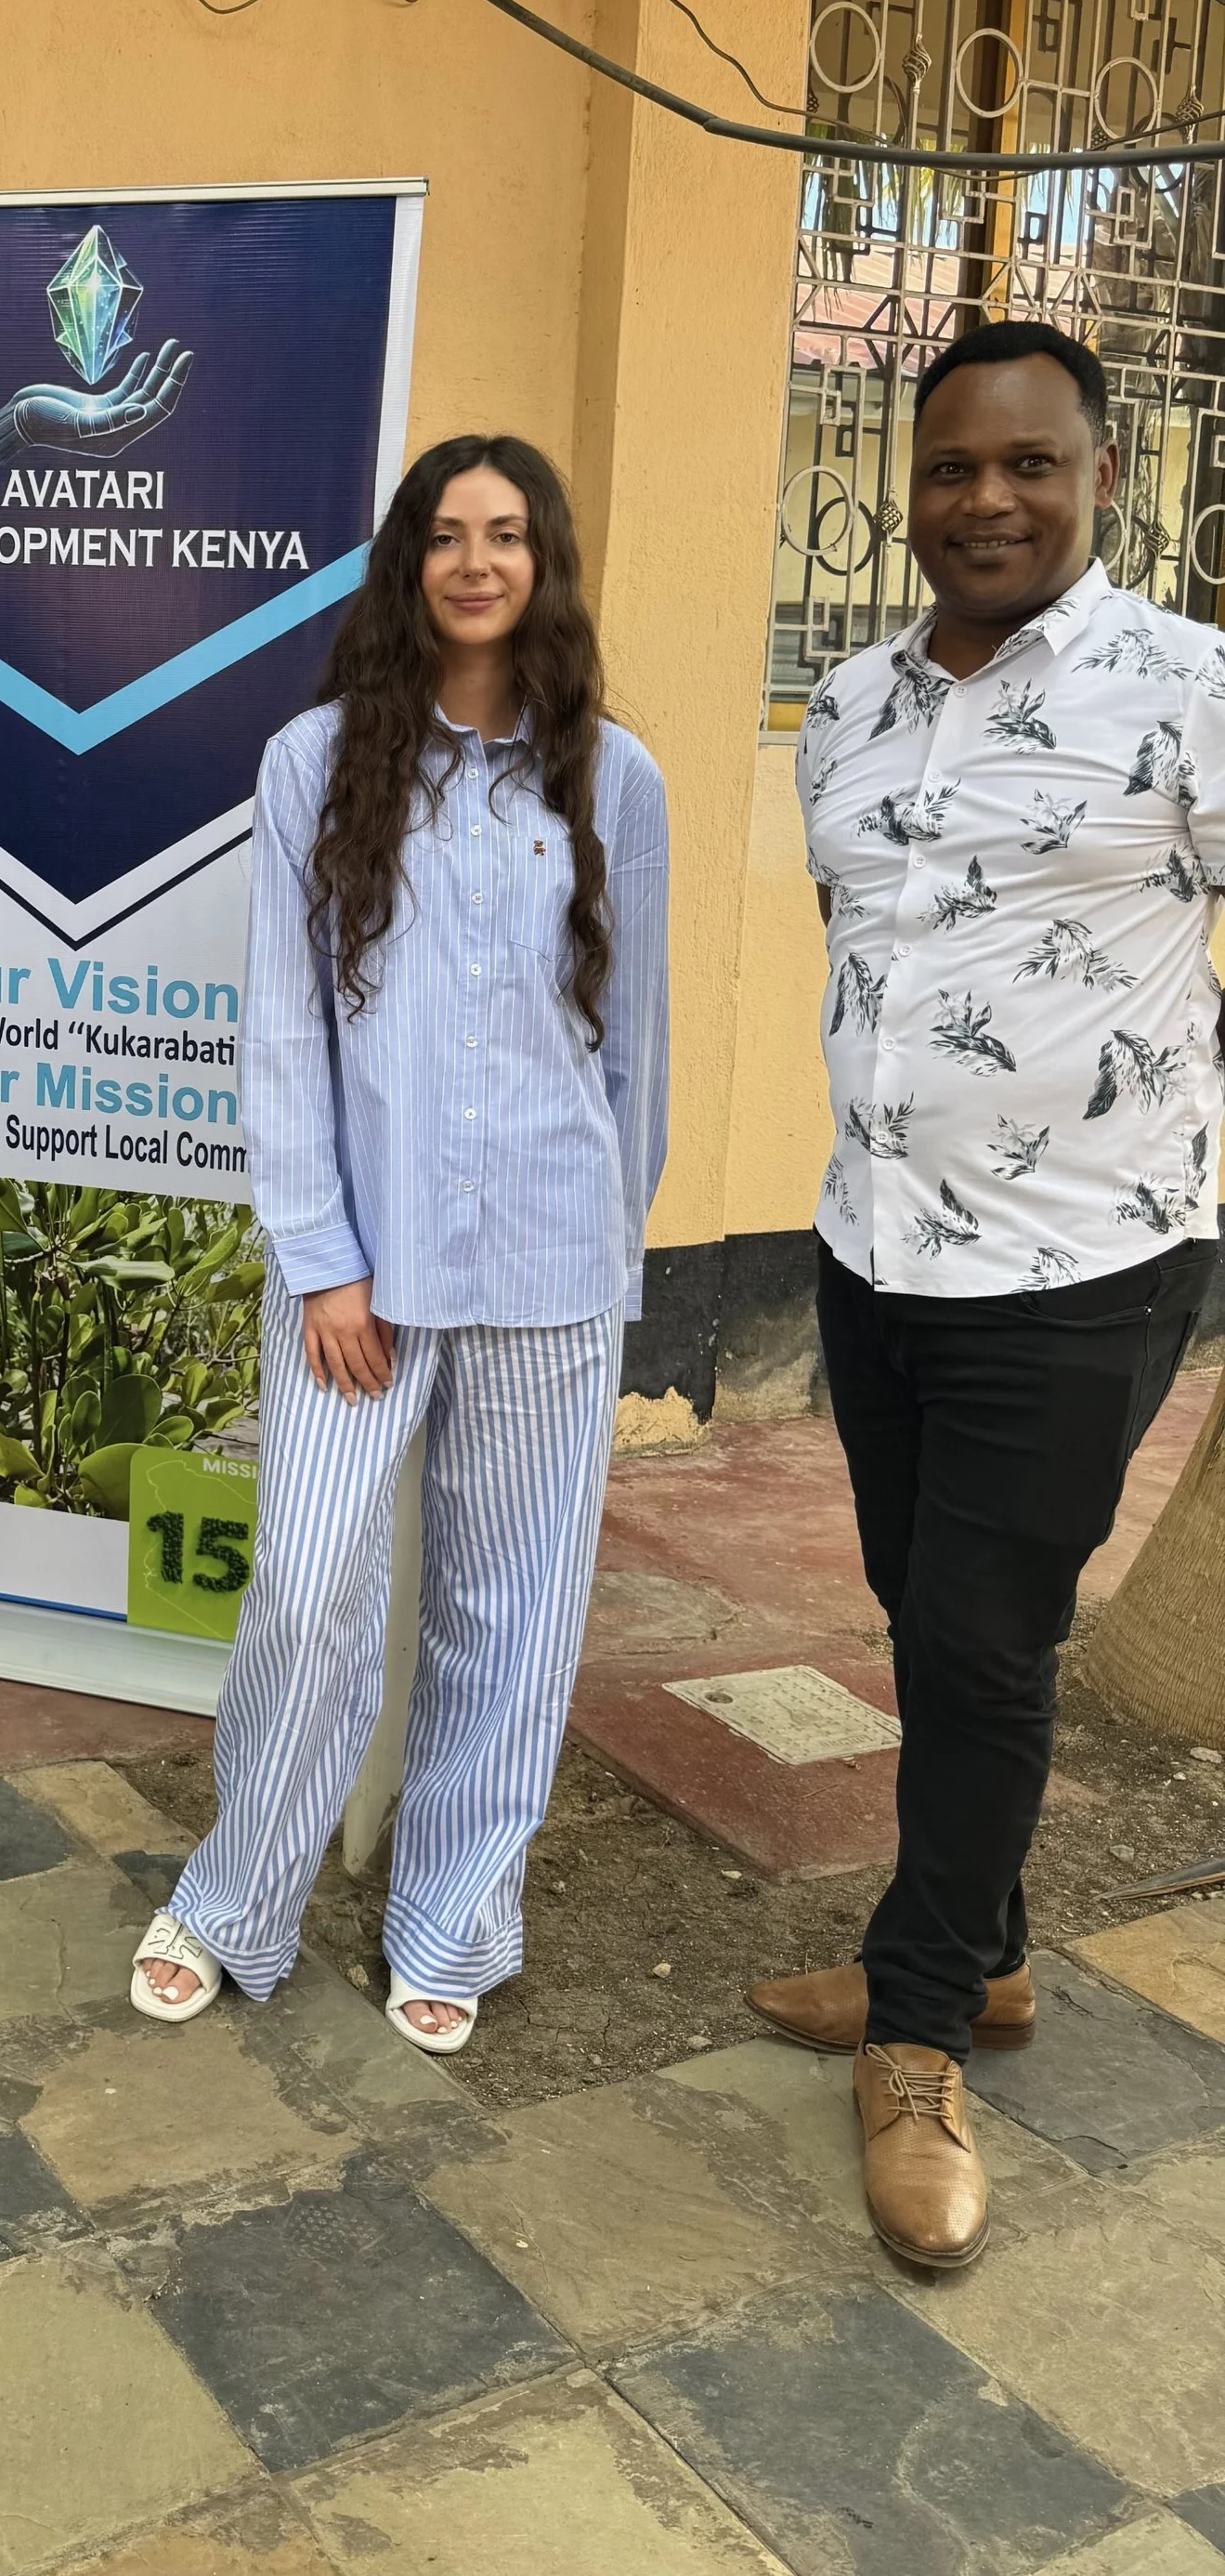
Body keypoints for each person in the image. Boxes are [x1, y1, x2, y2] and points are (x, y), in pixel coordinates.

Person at [751, 319, 1222, 2270]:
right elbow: (861, 940)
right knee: (919, 1606)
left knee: (972, 1640)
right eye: (949, 467)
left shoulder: (1186, 687)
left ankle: (924, 2021)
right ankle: (994, 1948)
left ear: (1104, 476)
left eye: (1026, 464)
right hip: (869, 1248)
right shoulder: (848, 706)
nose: (983, 500)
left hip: (1078, 1266)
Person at [129, 435, 669, 2049]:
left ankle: (454, 1913)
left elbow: (629, 1047)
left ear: (545, 563)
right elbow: (283, 1033)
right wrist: (323, 1256)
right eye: (447, 536)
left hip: (552, 1270)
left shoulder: (612, 777)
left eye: (508, 536)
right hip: (362, 1274)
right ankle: (239, 1895)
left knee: (515, 1604)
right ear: (408, 566)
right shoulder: (314, 764)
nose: (478, 563)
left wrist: (606, 1239)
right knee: (305, 1582)